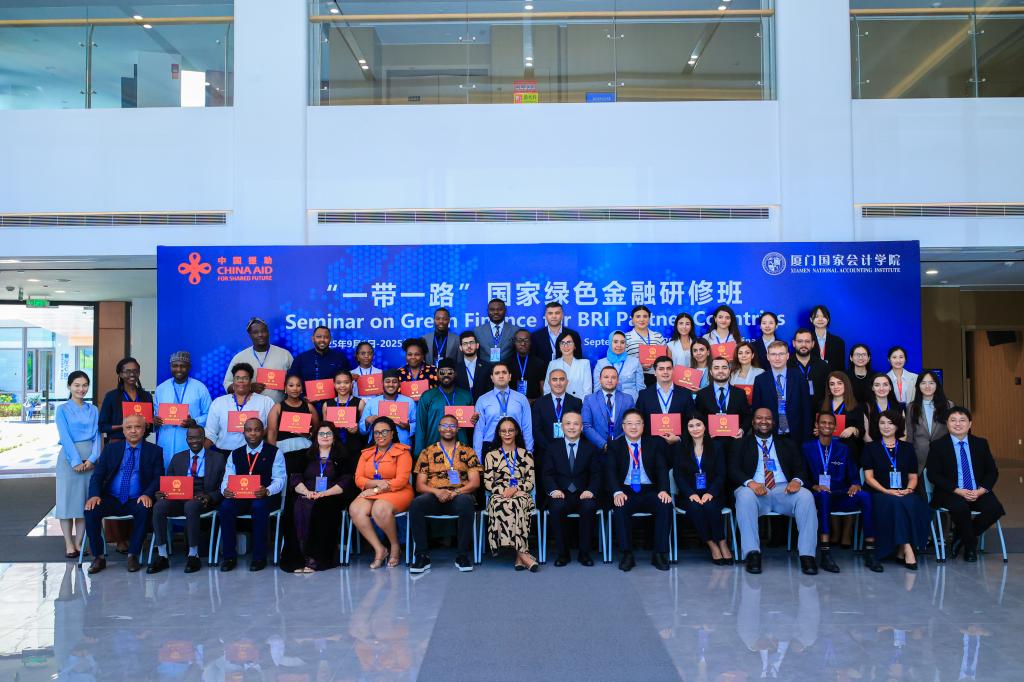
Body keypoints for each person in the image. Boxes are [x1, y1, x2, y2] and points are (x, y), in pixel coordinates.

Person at [731, 408, 819, 575]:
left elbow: (801, 468)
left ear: (773, 422)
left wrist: (796, 480)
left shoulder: (787, 443)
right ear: (753, 422)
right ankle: (752, 553)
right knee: (743, 495)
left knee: (806, 496)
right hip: (755, 490)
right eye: (759, 418)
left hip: (783, 490)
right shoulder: (741, 443)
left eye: (768, 418)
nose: (763, 422)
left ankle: (807, 555)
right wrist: (750, 483)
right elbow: (733, 469)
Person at [83, 414, 164, 574]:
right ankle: (98, 557)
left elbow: (158, 477)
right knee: (91, 510)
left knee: (145, 509)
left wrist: (147, 494)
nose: (133, 431)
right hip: (111, 498)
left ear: (144, 429)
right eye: (129, 427)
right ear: (123, 430)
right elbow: (98, 475)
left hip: (137, 498)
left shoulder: (154, 451)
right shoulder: (111, 449)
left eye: (138, 427)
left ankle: (133, 554)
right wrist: (94, 495)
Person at [802, 412, 881, 573]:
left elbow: (853, 475)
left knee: (865, 496)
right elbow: (802, 475)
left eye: (830, 423)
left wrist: (856, 484)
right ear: (816, 425)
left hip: (840, 495)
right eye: (823, 422)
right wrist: (815, 486)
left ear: (835, 427)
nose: (827, 425)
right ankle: (825, 553)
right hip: (817, 497)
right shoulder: (807, 447)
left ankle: (870, 551)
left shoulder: (843, 448)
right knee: (824, 496)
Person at [925, 406, 1005, 562]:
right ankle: (970, 547)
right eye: (953, 420)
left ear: (970, 424)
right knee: (960, 507)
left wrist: (981, 491)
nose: (958, 424)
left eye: (962, 420)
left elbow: (992, 471)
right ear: (947, 423)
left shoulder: (980, 444)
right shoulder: (938, 446)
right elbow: (933, 475)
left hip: (977, 490)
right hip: (950, 492)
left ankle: (961, 536)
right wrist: (958, 490)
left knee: (995, 509)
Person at [408, 414, 481, 573]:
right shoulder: (427, 452)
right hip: (434, 495)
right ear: (439, 428)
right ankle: (422, 556)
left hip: (459, 495)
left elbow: (475, 482)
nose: (448, 429)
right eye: (445, 425)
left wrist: (455, 492)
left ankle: (462, 555)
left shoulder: (468, 451)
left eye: (452, 426)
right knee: (416, 504)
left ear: (458, 429)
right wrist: (437, 492)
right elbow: (420, 485)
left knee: (466, 503)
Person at [148, 425, 225, 574]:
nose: (194, 441)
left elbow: (223, 486)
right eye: (190, 438)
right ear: (186, 439)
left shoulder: (217, 458)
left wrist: (210, 497)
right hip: (179, 497)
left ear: (204, 439)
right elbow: (169, 483)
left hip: (203, 498)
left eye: (197, 437)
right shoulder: (178, 458)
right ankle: (162, 555)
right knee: (159, 506)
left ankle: (193, 555)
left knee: (191, 506)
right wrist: (162, 493)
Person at [862, 410, 930, 569]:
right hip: (879, 492)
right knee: (896, 503)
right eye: (882, 423)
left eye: (890, 423)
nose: (886, 426)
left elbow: (913, 477)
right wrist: (886, 491)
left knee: (914, 502)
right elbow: (869, 478)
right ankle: (907, 548)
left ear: (897, 426)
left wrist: (908, 489)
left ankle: (901, 549)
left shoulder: (907, 448)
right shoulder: (870, 448)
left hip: (903, 491)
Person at [217, 417, 286, 572]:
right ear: (244, 433)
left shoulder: (274, 452)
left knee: (258, 506)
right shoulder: (235, 453)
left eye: (256, 430)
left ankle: (259, 557)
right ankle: (229, 557)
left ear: (263, 432)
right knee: (225, 506)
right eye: (249, 430)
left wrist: (267, 490)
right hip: (241, 497)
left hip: (265, 497)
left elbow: (280, 479)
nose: (253, 433)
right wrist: (225, 490)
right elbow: (227, 478)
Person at [606, 409, 672, 571]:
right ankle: (626, 554)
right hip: (625, 491)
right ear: (623, 426)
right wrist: (616, 492)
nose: (633, 427)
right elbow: (610, 472)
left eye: (637, 423)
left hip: (649, 490)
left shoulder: (654, 444)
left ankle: (660, 554)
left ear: (643, 426)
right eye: (629, 423)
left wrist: (664, 490)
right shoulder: (615, 445)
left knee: (665, 505)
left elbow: (662, 469)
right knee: (620, 507)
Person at [349, 416, 414, 568]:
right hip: (374, 491)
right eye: (377, 432)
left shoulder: (402, 452)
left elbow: (401, 480)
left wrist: (376, 489)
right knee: (355, 509)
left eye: (384, 432)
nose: (380, 435)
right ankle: (380, 549)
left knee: (380, 509)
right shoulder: (366, 453)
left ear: (392, 433)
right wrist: (377, 484)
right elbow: (358, 479)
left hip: (398, 491)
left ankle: (395, 546)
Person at [289, 426, 355, 572]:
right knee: (296, 506)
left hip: (332, 496)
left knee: (322, 507)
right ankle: (299, 558)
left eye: (328, 433)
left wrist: (324, 493)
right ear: (315, 437)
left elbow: (345, 481)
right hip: (307, 493)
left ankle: (316, 559)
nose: (325, 436)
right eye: (321, 433)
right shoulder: (305, 455)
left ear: (334, 437)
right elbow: (296, 477)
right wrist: (306, 492)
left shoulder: (342, 457)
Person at [542, 411, 600, 567]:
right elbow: (547, 474)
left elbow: (596, 474)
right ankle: (563, 554)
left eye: (576, 424)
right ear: (562, 427)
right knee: (557, 507)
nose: (572, 427)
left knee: (589, 507)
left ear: (581, 427)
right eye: (568, 423)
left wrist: (591, 490)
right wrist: (553, 490)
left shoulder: (591, 448)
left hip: (583, 494)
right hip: (560, 494)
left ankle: (584, 554)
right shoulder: (552, 448)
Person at [673, 413, 733, 565]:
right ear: (686, 429)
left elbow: (721, 474)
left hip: (714, 493)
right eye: (691, 426)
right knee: (696, 508)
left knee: (710, 506)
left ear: (705, 426)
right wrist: (690, 494)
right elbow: (678, 475)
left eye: (698, 424)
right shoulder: (680, 448)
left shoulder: (717, 446)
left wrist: (710, 493)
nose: (695, 429)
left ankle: (722, 541)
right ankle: (712, 544)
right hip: (689, 495)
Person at [55, 371, 102, 559]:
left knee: (84, 503)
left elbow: (97, 435)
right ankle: (69, 544)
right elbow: (65, 437)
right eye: (77, 385)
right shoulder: (62, 409)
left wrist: (92, 458)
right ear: (69, 386)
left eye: (84, 385)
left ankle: (79, 542)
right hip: (68, 459)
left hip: (90, 458)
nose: (81, 389)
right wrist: (75, 461)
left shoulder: (93, 409)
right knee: (67, 503)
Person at [483, 417, 538, 571]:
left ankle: (520, 556)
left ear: (516, 432)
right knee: (505, 503)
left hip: (521, 493)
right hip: (498, 495)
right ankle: (522, 555)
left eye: (510, 430)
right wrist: (503, 491)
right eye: (503, 431)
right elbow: (487, 482)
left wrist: (515, 489)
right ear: (498, 433)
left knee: (517, 502)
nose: (507, 434)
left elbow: (530, 482)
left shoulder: (526, 455)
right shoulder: (491, 455)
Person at [153, 351, 212, 468]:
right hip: (165, 441)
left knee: (187, 473)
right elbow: (156, 415)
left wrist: (195, 422)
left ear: (189, 367)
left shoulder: (200, 388)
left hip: (189, 442)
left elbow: (210, 414)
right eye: (175, 366)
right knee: (165, 473)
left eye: (183, 366)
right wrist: (155, 421)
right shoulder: (161, 389)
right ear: (170, 367)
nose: (178, 369)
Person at [205, 363, 275, 453]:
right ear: (233, 381)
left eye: (245, 378)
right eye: (237, 378)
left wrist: (258, 435)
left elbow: (272, 428)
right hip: (224, 453)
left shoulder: (265, 402)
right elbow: (211, 433)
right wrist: (198, 455)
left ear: (250, 381)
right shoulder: (219, 402)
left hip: (255, 453)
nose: (241, 381)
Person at [752, 341, 813, 443]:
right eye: (773, 354)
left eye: (781, 354)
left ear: (787, 356)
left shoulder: (799, 377)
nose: (777, 358)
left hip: (796, 435)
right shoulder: (760, 380)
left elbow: (806, 409)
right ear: (768, 357)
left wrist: (807, 438)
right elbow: (757, 409)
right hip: (770, 435)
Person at [223, 317, 293, 403]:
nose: (260, 334)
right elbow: (227, 384)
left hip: (279, 407)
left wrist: (286, 386)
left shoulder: (284, 354)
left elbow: (296, 381)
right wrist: (248, 387)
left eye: (263, 331)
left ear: (268, 332)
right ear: (250, 335)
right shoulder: (240, 358)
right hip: (249, 409)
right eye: (255, 332)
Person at [530, 368, 583, 483]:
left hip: (570, 452)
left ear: (567, 382)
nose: (558, 383)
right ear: (549, 382)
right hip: (545, 452)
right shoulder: (539, 403)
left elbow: (579, 429)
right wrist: (552, 449)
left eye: (561, 379)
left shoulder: (576, 402)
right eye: (554, 379)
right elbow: (536, 430)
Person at [414, 358, 475, 457]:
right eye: (442, 372)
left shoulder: (466, 396)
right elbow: (420, 427)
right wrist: (419, 453)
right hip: (433, 449)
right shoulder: (427, 396)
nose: (446, 375)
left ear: (455, 374)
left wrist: (474, 420)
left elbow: (472, 429)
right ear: (437, 375)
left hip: (461, 451)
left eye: (450, 372)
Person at [472, 362, 534, 455]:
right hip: (490, 447)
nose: (501, 376)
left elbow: (527, 427)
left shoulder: (521, 399)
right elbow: (479, 430)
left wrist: (529, 452)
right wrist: (478, 456)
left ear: (510, 377)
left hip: (516, 446)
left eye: (504, 372)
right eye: (497, 373)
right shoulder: (482, 400)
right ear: (492, 378)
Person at [635, 357, 695, 445]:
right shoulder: (644, 395)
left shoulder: (685, 394)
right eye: (661, 369)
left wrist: (679, 438)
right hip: (651, 446)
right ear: (655, 372)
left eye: (669, 368)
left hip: (678, 446)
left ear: (673, 371)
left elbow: (691, 420)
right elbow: (640, 421)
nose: (665, 372)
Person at [905, 370, 954, 474]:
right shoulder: (911, 407)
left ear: (937, 385)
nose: (927, 386)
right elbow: (910, 435)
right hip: (919, 456)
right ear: (918, 386)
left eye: (931, 383)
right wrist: (909, 456)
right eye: (923, 383)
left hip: (942, 454)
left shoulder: (948, 405)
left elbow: (952, 432)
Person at [98, 356, 153, 443]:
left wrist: (150, 423)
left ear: (139, 373)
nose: (132, 374)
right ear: (120, 374)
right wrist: (122, 426)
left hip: (140, 444)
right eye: (127, 371)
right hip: (117, 444)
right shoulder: (111, 396)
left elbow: (150, 427)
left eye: (135, 371)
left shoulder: (146, 396)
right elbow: (102, 426)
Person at [287, 325, 351, 399]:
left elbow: (347, 380)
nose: (322, 340)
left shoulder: (340, 358)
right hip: (306, 402)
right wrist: (302, 397)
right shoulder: (301, 358)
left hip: (333, 403)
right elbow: (291, 380)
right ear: (313, 338)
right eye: (319, 337)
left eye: (326, 337)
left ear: (330, 339)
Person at [582, 366, 636, 452]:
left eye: (613, 377)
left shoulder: (628, 399)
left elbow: (632, 424)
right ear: (600, 380)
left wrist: (617, 444)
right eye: (606, 377)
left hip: (621, 448)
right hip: (596, 449)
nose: (610, 380)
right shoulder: (589, 399)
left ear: (618, 380)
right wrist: (603, 444)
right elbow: (586, 425)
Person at [695, 356, 752, 438]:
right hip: (711, 441)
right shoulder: (702, 394)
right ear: (711, 372)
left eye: (724, 368)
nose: (720, 371)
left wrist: (742, 430)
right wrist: (705, 432)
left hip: (735, 440)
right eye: (716, 368)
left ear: (729, 371)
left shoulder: (740, 393)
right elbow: (698, 418)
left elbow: (748, 416)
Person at [360, 370, 417, 446]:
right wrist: (367, 422)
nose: (391, 384)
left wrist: (408, 426)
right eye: (387, 381)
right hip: (377, 447)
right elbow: (361, 430)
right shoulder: (372, 402)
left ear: (399, 384)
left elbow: (417, 425)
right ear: (382, 383)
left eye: (394, 382)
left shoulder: (409, 401)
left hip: (403, 446)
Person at [266, 375, 320, 456]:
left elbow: (317, 428)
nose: (295, 388)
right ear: (285, 388)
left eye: (298, 385)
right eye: (291, 385)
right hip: (283, 450)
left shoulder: (309, 407)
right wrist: (273, 454)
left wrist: (309, 435)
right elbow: (272, 432)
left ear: (302, 389)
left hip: (306, 448)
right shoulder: (277, 407)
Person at [324, 368, 366, 459]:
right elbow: (324, 429)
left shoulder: (360, 403)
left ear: (351, 384)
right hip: (334, 447)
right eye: (338, 383)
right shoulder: (327, 404)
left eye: (346, 382)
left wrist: (357, 429)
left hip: (354, 446)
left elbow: (364, 428)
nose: (342, 386)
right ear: (334, 384)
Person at [592, 331, 645, 400]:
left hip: (631, 402)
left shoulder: (635, 362)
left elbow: (641, 388)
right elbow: (597, 389)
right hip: (608, 402)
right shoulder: (601, 363)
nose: (619, 345)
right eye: (615, 342)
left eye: (622, 342)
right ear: (610, 343)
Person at [542, 331, 593, 399]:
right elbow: (547, 389)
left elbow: (587, 391)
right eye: (562, 343)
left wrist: (579, 404)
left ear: (575, 345)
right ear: (559, 346)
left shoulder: (584, 363)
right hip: (558, 403)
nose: (565, 346)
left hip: (579, 403)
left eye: (569, 342)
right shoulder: (553, 364)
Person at [624, 305, 666, 386]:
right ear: (632, 319)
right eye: (638, 316)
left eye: (645, 316)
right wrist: (639, 366)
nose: (642, 319)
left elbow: (664, 359)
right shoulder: (626, 337)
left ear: (649, 319)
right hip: (633, 379)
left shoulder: (658, 336)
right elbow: (623, 361)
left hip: (656, 379)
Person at [789, 328, 829, 402]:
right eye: (800, 341)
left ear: (813, 344)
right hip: (793, 407)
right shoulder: (786, 365)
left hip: (817, 407)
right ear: (794, 343)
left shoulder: (823, 366)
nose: (803, 345)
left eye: (807, 341)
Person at [475, 298, 519, 364]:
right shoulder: (477, 331)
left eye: (499, 309)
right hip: (485, 368)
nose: (496, 312)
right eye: (492, 310)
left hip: (508, 368)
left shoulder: (515, 330)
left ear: (505, 311)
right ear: (487, 311)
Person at [862, 373, 902, 444]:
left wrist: (897, 448)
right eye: (877, 385)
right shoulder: (864, 407)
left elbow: (903, 433)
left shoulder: (898, 407)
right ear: (872, 388)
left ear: (890, 387)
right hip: (873, 448)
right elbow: (865, 434)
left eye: (885, 385)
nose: (881, 388)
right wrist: (877, 448)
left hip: (896, 448)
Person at [454, 331, 493, 401]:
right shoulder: (455, 369)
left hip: (483, 405)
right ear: (460, 348)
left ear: (477, 345)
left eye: (471, 343)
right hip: (462, 405)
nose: (469, 346)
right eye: (465, 344)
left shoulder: (487, 367)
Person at [509, 329, 546, 400]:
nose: (523, 343)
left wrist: (537, 402)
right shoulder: (507, 363)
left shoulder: (540, 363)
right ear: (514, 342)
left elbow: (542, 387)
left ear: (531, 342)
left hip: (534, 403)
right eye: (519, 340)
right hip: (512, 403)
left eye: (526, 340)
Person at [808, 305, 845, 370]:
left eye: (823, 316)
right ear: (811, 319)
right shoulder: (807, 341)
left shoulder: (838, 342)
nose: (820, 319)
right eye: (816, 316)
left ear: (828, 319)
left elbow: (840, 367)